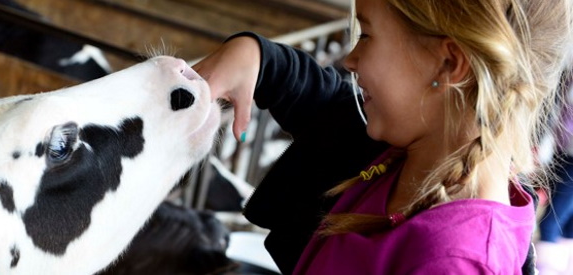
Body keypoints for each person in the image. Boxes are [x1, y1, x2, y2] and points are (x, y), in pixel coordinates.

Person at [193, 0, 573, 274]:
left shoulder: (452, 261)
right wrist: (259, 58)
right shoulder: (413, 154)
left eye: (367, 35)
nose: (349, 60)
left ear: (448, 63)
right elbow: (329, 109)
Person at [536, 75, 573, 275]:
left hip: (571, 157)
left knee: (551, 221)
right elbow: (556, 112)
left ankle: (546, 270)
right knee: (567, 222)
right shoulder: (567, 73)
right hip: (561, 152)